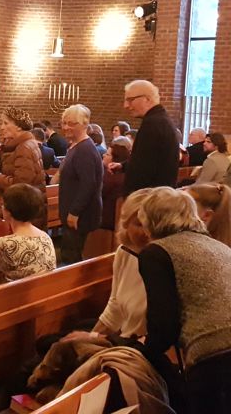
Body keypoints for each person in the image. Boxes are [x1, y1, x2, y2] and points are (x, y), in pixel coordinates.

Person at [136, 187, 231, 414]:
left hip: (214, 356)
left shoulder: (157, 252)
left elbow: (164, 324)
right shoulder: (218, 246)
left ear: (151, 221)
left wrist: (141, 351)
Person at [93, 189, 153, 339]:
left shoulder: (163, 262)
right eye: (140, 224)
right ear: (126, 224)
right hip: (126, 339)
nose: (147, 232)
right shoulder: (125, 252)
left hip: (142, 345)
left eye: (153, 225)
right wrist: (91, 337)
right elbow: (114, 308)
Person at [0, 184, 55, 287]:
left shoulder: (5, 244)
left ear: (9, 212)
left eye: (3, 205)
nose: (2, 207)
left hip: (16, 295)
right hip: (44, 291)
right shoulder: (45, 237)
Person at [109, 80, 180, 196]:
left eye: (130, 100)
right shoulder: (159, 120)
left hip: (150, 198)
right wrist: (123, 166)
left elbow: (143, 171)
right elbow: (147, 158)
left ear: (147, 99)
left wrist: (131, 198)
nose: (126, 105)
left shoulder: (153, 124)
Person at [58, 104, 103, 264]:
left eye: (72, 123)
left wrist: (74, 212)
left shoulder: (85, 150)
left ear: (85, 124)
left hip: (80, 216)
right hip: (74, 213)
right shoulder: (76, 146)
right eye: (64, 123)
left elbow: (88, 184)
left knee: (72, 259)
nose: (66, 127)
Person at [0, 106, 47, 229]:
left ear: (18, 126)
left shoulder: (23, 148)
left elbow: (21, 186)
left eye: (6, 123)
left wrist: (0, 179)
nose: (1, 127)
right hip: (25, 210)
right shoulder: (24, 144)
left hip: (23, 214)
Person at [100, 138, 132, 230]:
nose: (103, 155)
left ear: (115, 159)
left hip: (105, 221)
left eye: (107, 154)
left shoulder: (110, 178)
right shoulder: (123, 176)